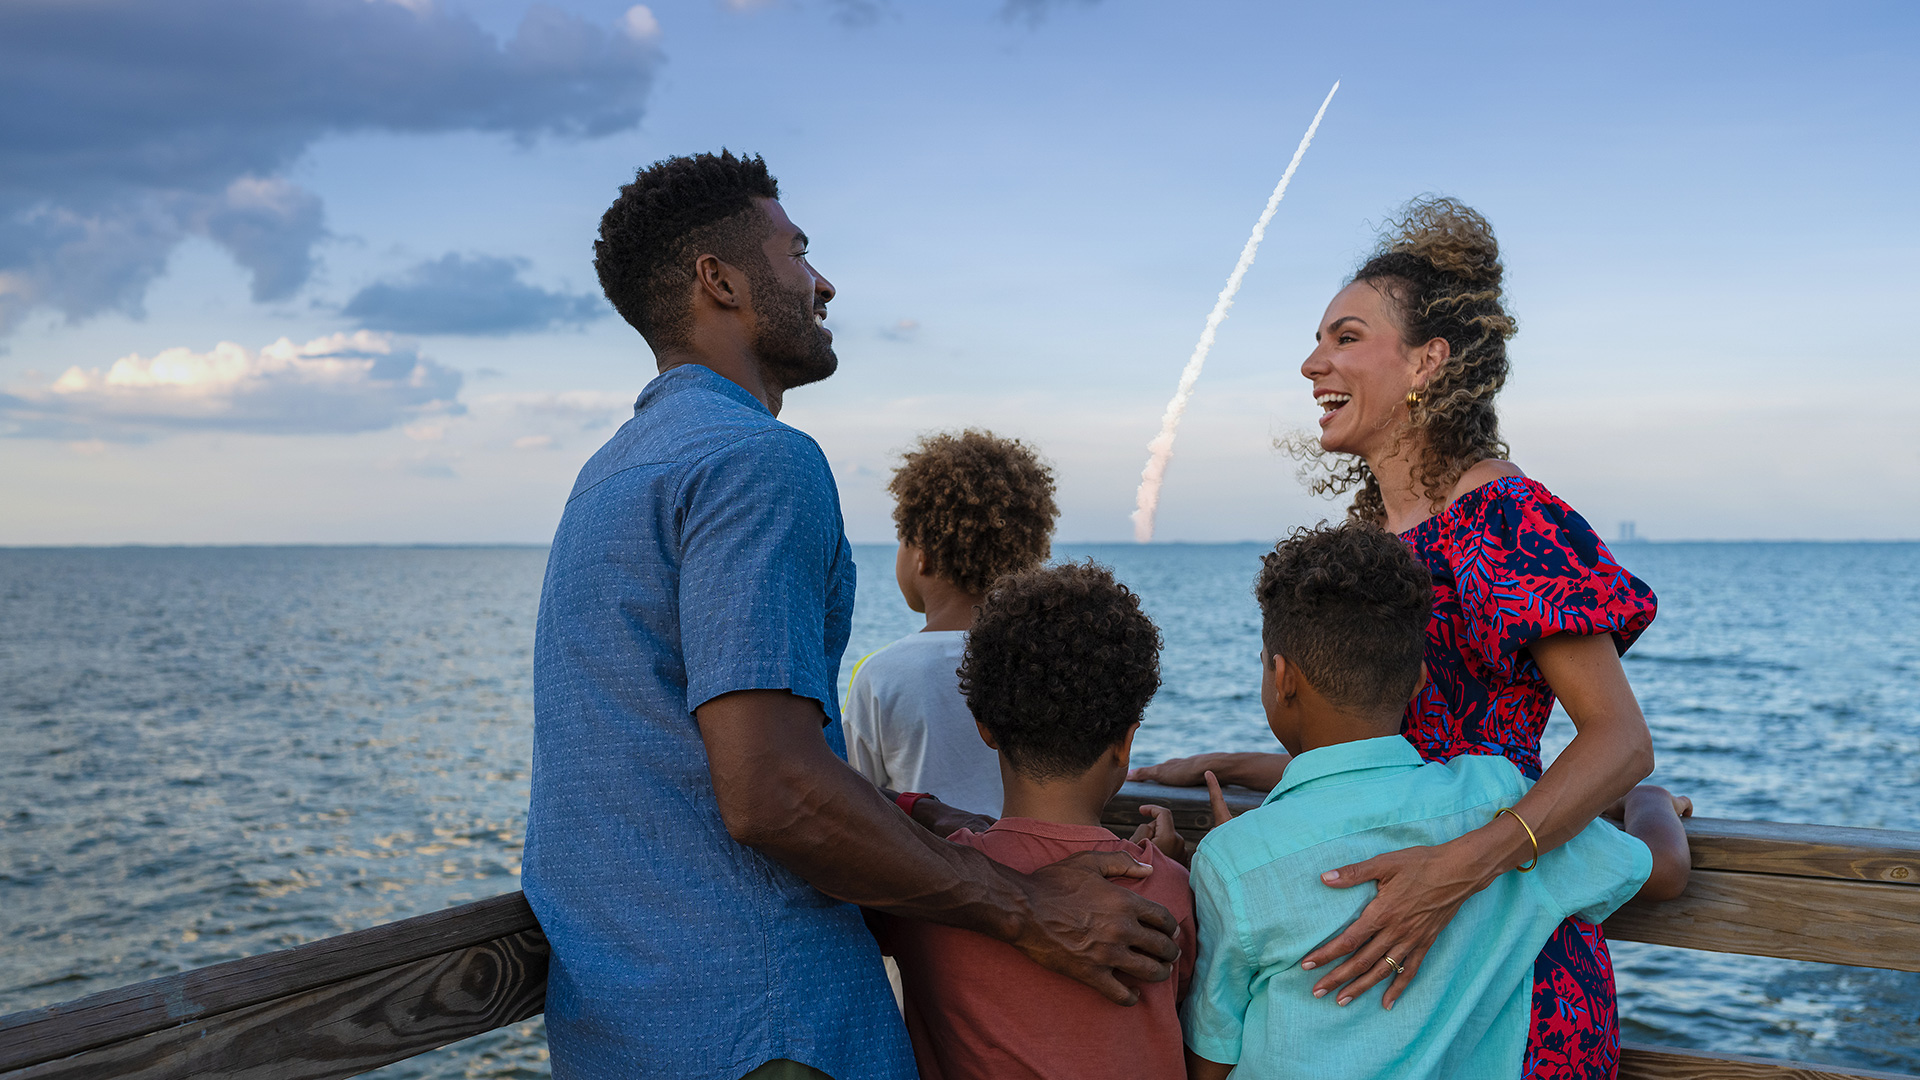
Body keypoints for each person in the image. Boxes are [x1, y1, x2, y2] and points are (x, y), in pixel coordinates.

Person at [522, 151, 1180, 1080]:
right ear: (722, 280)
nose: (823, 282)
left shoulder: (608, 478)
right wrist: (1027, 910)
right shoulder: (759, 462)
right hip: (772, 1031)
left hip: (623, 1029)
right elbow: (770, 791)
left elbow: (677, 762)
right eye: (798, 252)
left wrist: (916, 817)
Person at [1132, 197, 1667, 1079]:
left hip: (1507, 968)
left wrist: (1451, 873)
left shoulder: (1508, 518)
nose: (1312, 364)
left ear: (1429, 360)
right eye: (1318, 342)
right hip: (1381, 974)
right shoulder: (1370, 539)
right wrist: (1248, 768)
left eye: (1344, 337)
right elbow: (1407, 752)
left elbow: (1620, 741)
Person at [1176, 523, 1690, 1080]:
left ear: (1282, 677)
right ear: (1421, 680)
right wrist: (1650, 800)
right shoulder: (1496, 798)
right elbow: (1664, 869)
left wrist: (1234, 850)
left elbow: (1209, 1065)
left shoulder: (1233, 861)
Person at [874, 561, 1196, 1080]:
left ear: (985, 727)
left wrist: (920, 813)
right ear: (1126, 742)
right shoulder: (1169, 891)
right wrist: (1161, 867)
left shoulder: (930, 887)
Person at [844, 429, 1060, 818]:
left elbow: (858, 801)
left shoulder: (882, 675)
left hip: (924, 875)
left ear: (921, 556)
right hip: (1037, 872)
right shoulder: (1045, 663)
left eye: (902, 540)